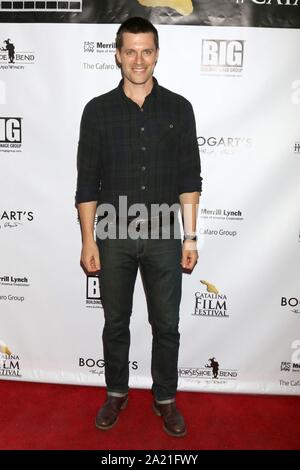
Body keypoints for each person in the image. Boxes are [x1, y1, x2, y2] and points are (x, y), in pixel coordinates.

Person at [75, 17, 202, 437]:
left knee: (166, 324)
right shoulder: (97, 111)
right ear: (117, 55)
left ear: (157, 54)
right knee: (115, 322)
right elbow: (86, 183)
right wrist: (87, 240)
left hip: (166, 234)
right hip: (113, 235)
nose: (138, 60)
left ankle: (165, 398)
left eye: (146, 51)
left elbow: (189, 179)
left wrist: (191, 235)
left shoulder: (180, 108)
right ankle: (116, 392)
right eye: (130, 51)